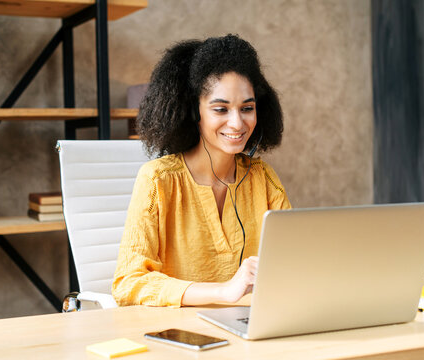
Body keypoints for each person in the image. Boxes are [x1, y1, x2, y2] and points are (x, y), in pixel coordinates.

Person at [112, 34, 291, 307]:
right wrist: (223, 292)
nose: (237, 122)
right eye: (221, 109)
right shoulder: (158, 180)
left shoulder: (262, 176)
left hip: (249, 331)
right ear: (195, 113)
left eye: (247, 108)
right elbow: (128, 282)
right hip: (180, 336)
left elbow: (295, 261)